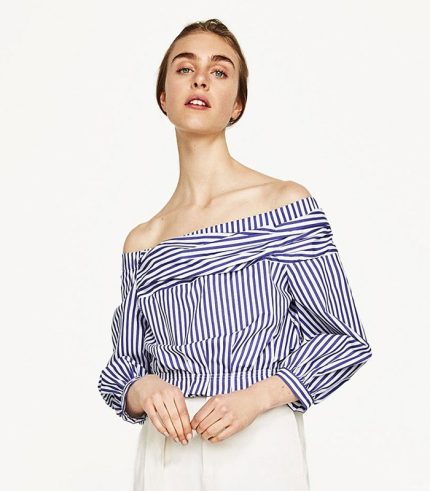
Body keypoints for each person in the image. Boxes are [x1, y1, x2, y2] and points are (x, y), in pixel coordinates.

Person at [97, 18, 373, 491]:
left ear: (237, 105)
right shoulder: (144, 241)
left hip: (258, 445)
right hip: (167, 454)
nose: (201, 79)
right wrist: (144, 389)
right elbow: (124, 365)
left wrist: (255, 399)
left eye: (220, 72)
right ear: (163, 96)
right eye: (185, 68)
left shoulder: (283, 205)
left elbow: (344, 339)